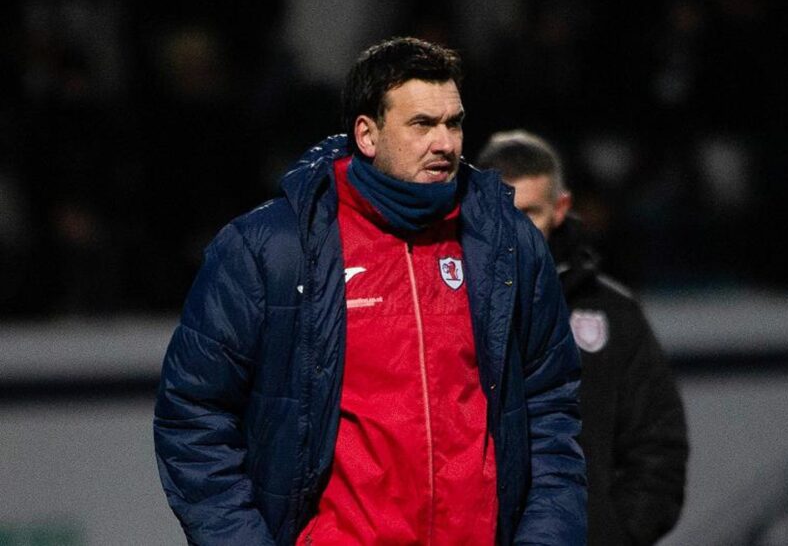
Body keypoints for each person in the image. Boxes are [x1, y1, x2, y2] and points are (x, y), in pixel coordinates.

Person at [154, 37, 586, 546]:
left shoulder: (507, 243)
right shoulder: (270, 249)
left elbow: (551, 409)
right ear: (366, 133)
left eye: (454, 123)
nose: (445, 143)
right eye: (422, 124)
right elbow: (194, 415)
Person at [477, 130, 689, 546]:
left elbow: (657, 447)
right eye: (505, 213)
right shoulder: (442, 303)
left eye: (531, 212)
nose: (517, 230)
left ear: (561, 209)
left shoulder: (614, 314)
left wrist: (611, 534)